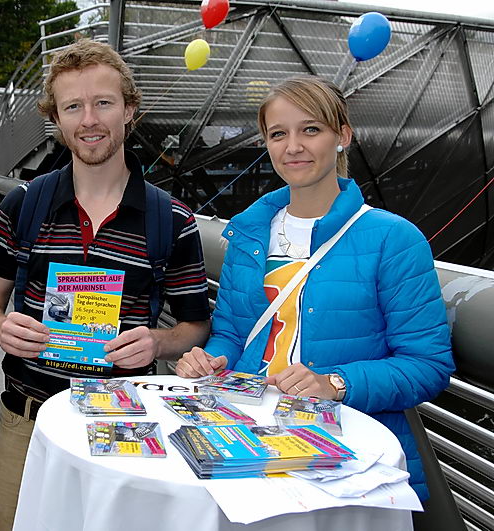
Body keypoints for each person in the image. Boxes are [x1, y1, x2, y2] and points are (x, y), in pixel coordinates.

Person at [175, 76, 454, 501]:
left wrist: (334, 383)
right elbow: (231, 333)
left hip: (343, 455)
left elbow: (427, 364)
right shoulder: (248, 234)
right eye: (278, 134)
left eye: (310, 129)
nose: (293, 147)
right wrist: (212, 360)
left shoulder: (394, 238)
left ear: (342, 136)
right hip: (244, 438)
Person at [0, 38, 211, 531]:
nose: (89, 120)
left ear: (129, 110)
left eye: (103, 102)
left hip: (125, 425)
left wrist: (157, 342)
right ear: (56, 119)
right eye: (72, 107)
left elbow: (195, 326)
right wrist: (0, 329)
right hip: (27, 423)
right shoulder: (23, 205)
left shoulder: (172, 220)